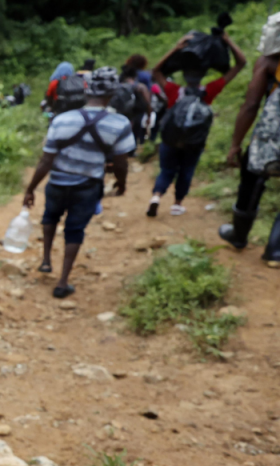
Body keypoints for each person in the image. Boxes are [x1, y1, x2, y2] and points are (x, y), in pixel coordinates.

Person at [23, 66, 134, 299]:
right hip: (87, 185)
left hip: (57, 181)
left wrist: (31, 188)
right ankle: (63, 281)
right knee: (74, 230)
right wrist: (121, 184)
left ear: (87, 90)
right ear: (113, 94)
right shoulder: (119, 123)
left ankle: (45, 260)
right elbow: (121, 163)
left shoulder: (62, 119)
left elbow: (45, 160)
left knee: (50, 218)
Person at [148, 32, 247, 217]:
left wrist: (175, 49)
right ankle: (177, 204)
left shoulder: (174, 91)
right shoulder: (209, 91)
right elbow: (241, 64)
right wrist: (227, 41)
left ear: (184, 75)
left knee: (167, 169)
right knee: (187, 169)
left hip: (170, 139)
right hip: (194, 141)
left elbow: (156, 71)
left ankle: (156, 196)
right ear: (203, 75)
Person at [222, 12, 280, 266]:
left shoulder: (268, 62)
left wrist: (236, 143)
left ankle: (239, 235)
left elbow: (251, 104)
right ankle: (276, 251)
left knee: (252, 175)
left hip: (270, 140)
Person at [116, 64, 152, 147]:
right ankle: (132, 149)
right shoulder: (140, 87)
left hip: (122, 112)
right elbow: (147, 102)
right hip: (137, 112)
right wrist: (149, 116)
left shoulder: (118, 86)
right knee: (135, 129)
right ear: (135, 76)